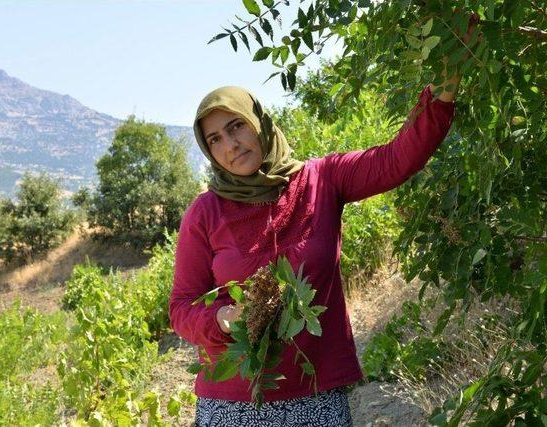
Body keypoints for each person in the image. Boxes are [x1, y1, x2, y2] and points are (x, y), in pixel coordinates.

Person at [169, 16, 478, 425]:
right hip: (234, 403)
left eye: (236, 126)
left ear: (258, 121)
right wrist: (223, 319)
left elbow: (396, 159)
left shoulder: (321, 180)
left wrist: (442, 90)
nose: (231, 145)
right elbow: (181, 307)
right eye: (215, 140)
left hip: (316, 397)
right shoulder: (205, 213)